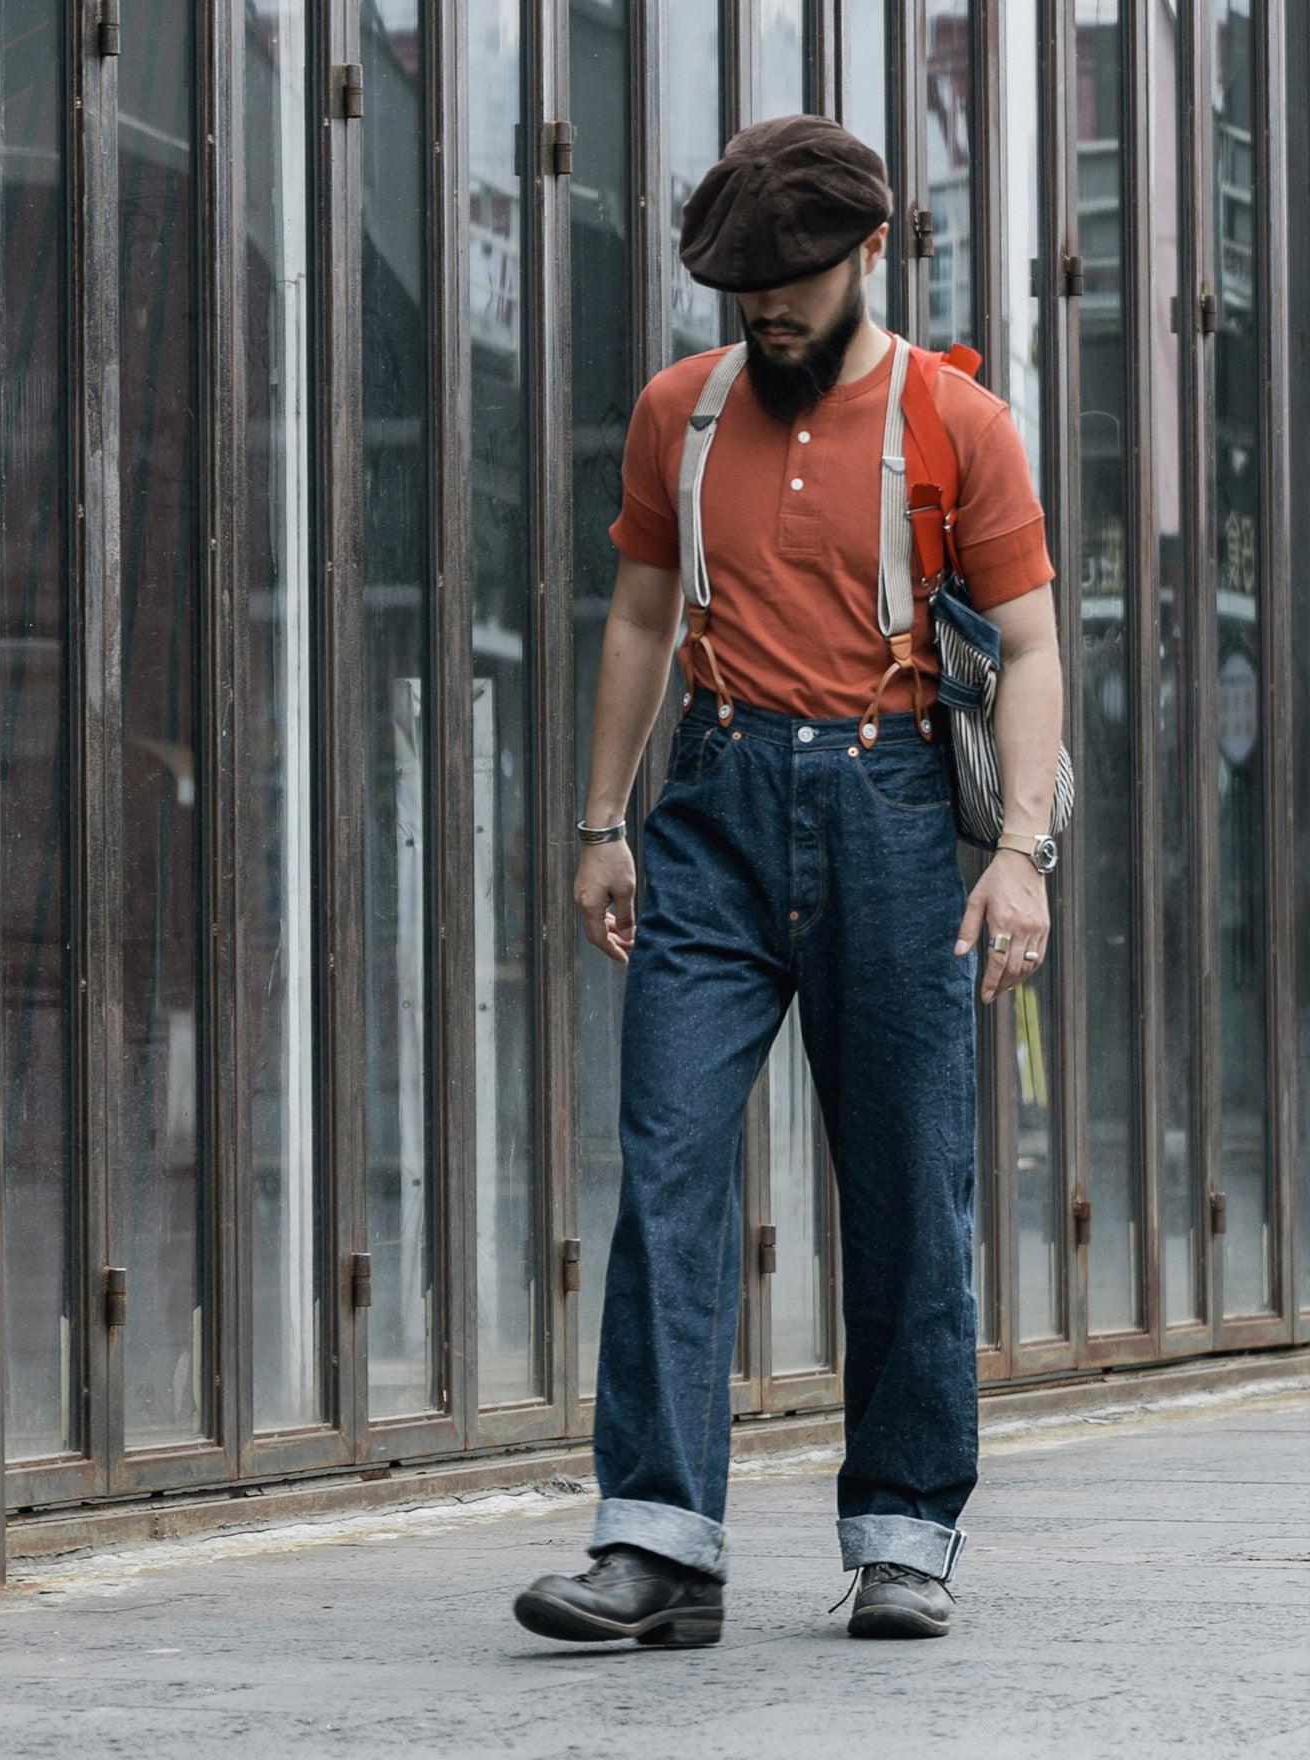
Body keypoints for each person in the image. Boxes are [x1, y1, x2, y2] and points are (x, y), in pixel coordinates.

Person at [513, 115, 1063, 1648]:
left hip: (889, 807)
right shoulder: (677, 415)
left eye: (795, 285)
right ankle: (658, 1546)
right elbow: (636, 617)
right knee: (671, 1159)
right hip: (713, 803)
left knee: (904, 1181)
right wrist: (600, 819)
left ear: (870, 253)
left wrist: (1020, 855)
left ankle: (903, 1536)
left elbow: (1028, 648)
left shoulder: (960, 425)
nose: (767, 314)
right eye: (744, 290)